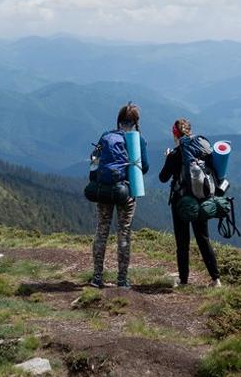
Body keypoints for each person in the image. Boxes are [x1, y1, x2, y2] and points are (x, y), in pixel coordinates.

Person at [90, 102, 149, 289]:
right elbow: (144, 167)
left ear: (119, 120)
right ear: (136, 122)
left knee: (102, 231)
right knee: (124, 233)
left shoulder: (106, 136)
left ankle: (97, 278)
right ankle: (122, 280)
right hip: (125, 191)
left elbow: (94, 161)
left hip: (104, 190)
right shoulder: (137, 139)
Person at [160, 118, 222, 288]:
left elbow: (163, 178)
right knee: (203, 239)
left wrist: (167, 158)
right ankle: (216, 279)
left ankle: (184, 281)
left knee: (182, 242)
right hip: (201, 199)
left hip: (181, 201)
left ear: (175, 134)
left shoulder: (175, 154)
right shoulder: (201, 149)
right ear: (190, 131)